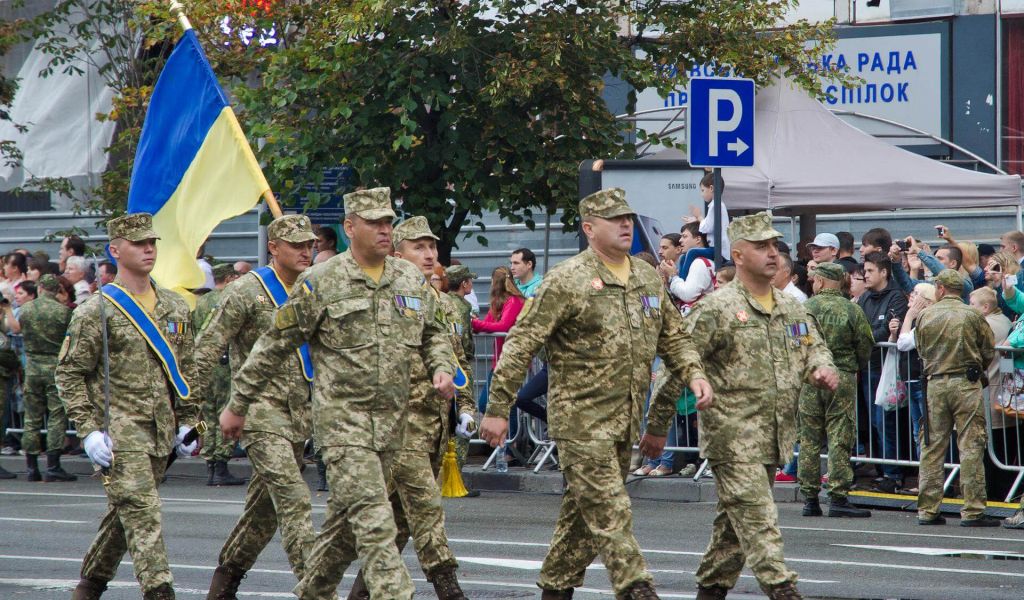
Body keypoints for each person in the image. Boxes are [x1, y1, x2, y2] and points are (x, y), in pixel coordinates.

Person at [479, 187, 711, 600]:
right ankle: (638, 590)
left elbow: (673, 338)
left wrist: (693, 374)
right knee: (611, 512)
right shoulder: (566, 280)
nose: (625, 225)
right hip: (580, 423)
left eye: (628, 217)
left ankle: (555, 590)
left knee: (582, 520)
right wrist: (498, 408)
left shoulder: (645, 276)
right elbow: (521, 343)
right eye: (614, 219)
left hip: (624, 420)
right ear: (589, 228)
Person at [230, 188, 456, 600]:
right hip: (343, 430)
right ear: (350, 227)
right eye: (375, 222)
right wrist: (237, 404)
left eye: (388, 222)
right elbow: (274, 344)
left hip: (393, 429)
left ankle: (313, 593)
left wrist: (443, 366)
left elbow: (434, 331)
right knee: (376, 525)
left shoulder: (406, 277)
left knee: (342, 536)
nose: (385, 229)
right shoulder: (322, 281)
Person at [644, 212, 837, 600]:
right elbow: (678, 365)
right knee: (761, 523)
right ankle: (784, 591)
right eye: (761, 247)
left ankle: (710, 592)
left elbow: (815, 347)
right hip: (732, 437)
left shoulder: (791, 307)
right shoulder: (716, 309)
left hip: (774, 435)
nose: (772, 254)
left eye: (774, 246)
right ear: (739, 254)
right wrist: (657, 425)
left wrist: (822, 368)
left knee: (732, 535)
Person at [55, 213, 201, 600]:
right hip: (119, 435)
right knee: (143, 514)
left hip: (160, 434)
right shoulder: (95, 311)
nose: (149, 249)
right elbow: (69, 374)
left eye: (152, 242)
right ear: (115, 250)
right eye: (139, 243)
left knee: (125, 518)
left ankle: (87, 589)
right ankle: (160, 592)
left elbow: (186, 372)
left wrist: (190, 423)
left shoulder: (174, 306)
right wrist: (87, 431)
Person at [344, 216, 476, 600]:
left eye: (432, 246)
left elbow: (458, 361)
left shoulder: (444, 304)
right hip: (400, 426)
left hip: (434, 426)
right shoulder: (384, 297)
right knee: (426, 509)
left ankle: (360, 593)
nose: (429, 253)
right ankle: (450, 590)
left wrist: (465, 408)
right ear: (397, 253)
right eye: (419, 246)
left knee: (399, 522)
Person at [198, 215, 318, 597]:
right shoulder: (246, 292)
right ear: (273, 248)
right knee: (294, 498)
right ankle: (317, 588)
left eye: (309, 244)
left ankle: (225, 581)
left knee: (263, 512)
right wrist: (189, 412)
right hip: (258, 412)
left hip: (300, 414)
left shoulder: (312, 290)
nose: (305, 250)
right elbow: (206, 349)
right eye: (296, 244)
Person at [915, 270, 998, 527]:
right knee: (971, 446)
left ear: (940, 288)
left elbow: (920, 349)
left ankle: (928, 509)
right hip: (966, 383)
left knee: (932, 446)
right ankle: (972, 510)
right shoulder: (972, 314)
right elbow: (988, 349)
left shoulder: (926, 315)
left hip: (935, 384)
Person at [797, 263, 873, 518]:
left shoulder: (804, 308)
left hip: (811, 378)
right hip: (841, 375)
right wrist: (853, 367)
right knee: (840, 435)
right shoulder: (852, 309)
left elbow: (795, 343)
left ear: (819, 281)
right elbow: (865, 344)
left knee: (809, 437)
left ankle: (809, 497)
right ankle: (838, 496)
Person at [191, 263, 246, 488]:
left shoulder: (202, 302)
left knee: (207, 416)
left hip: (205, 366)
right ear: (231, 277)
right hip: (225, 365)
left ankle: (210, 462)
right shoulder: (231, 298)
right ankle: (221, 463)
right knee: (226, 412)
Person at [857, 252, 908, 493]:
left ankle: (893, 473)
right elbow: (863, 329)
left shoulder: (896, 297)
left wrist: (868, 334)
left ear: (884, 272)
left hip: (887, 370)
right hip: (868, 368)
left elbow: (879, 333)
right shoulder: (865, 297)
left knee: (886, 422)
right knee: (874, 423)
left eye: (869, 271)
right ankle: (881, 470)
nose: (865, 275)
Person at [17, 274, 75, 482]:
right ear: (56, 289)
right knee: (57, 415)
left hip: (32, 366)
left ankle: (32, 466)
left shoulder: (25, 309)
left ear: (40, 288)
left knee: (31, 417)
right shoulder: (64, 312)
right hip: (54, 366)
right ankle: (53, 465)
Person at [890, 283, 937, 463]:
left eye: (917, 294)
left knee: (925, 433)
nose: (911, 295)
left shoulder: (926, 320)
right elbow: (896, 342)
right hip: (911, 381)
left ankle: (929, 476)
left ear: (927, 301)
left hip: (922, 382)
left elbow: (904, 344)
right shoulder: (915, 321)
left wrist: (909, 316)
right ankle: (922, 475)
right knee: (918, 432)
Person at [472, 266, 525, 413]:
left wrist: (475, 323)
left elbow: (503, 326)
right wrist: (475, 324)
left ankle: (513, 435)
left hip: (512, 359)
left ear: (494, 282)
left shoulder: (513, 301)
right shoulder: (498, 304)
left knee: (502, 404)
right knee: (489, 403)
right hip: (500, 360)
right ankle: (510, 435)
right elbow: (488, 322)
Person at [665, 224, 715, 315]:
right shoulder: (697, 261)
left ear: (698, 239)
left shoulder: (699, 263)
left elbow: (688, 295)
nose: (680, 240)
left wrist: (673, 276)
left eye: (684, 236)